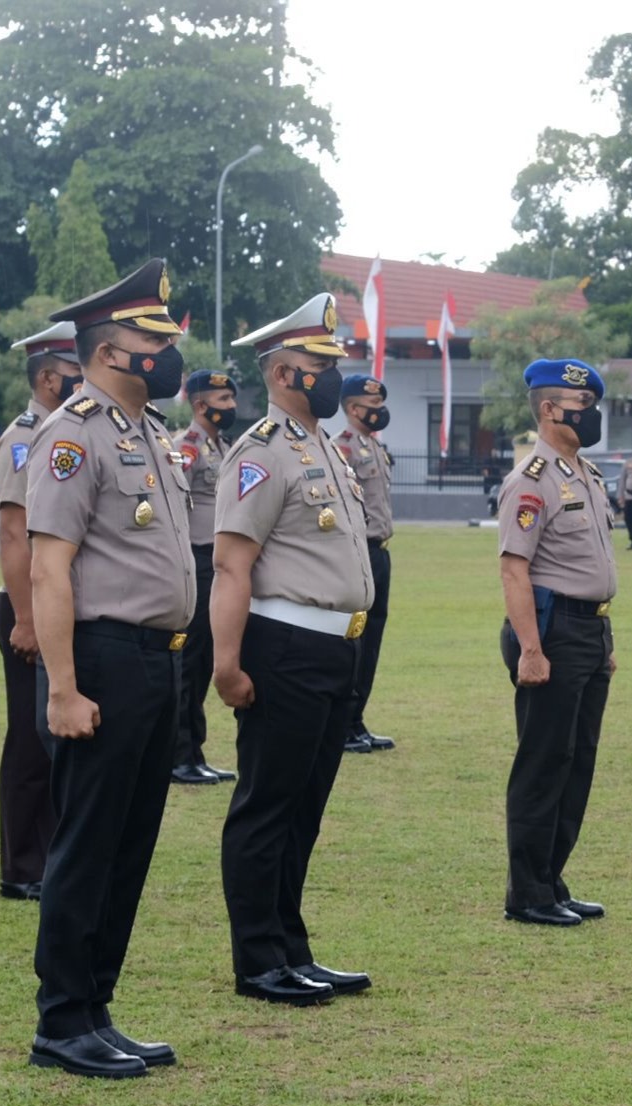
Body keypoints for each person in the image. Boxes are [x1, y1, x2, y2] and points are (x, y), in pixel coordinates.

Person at [25, 259, 193, 1078]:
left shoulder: (147, 430)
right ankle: (61, 1021)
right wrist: (61, 686)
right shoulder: (73, 433)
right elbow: (47, 567)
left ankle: (96, 1008)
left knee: (129, 846)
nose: (166, 353)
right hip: (101, 658)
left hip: (156, 661)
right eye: (150, 339)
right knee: (88, 844)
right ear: (105, 351)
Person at [213, 292, 375, 1007]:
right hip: (283, 645)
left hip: (334, 648)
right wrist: (226, 663)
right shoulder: (261, 451)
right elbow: (231, 564)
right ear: (284, 373)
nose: (333, 375)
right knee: (268, 806)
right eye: (320, 363)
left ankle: (290, 947)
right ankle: (258, 960)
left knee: (304, 808)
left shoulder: (323, 448)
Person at [496, 358, 616, 927]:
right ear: (549, 410)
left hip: (589, 629)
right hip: (552, 632)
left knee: (576, 763)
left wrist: (603, 639)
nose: (592, 414)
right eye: (582, 405)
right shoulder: (532, 479)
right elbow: (514, 569)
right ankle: (527, 892)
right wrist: (531, 649)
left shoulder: (585, 475)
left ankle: (551, 879)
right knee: (543, 763)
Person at [0, 321, 82, 901]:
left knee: (54, 740)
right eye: (74, 372)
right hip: (27, 605)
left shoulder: (67, 432)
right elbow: (12, 531)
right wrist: (26, 619)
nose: (82, 380)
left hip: (57, 604)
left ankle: (49, 856)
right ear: (49, 379)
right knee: (30, 740)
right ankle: (22, 867)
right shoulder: (23, 439)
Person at [171, 369, 241, 785]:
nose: (231, 406)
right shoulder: (187, 448)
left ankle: (194, 752)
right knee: (191, 661)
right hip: (197, 560)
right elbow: (175, 506)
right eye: (223, 400)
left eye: (231, 399)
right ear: (200, 405)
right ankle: (180, 755)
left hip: (219, 564)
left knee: (204, 662)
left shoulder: (222, 446)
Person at [335, 373, 398, 754]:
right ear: (354, 409)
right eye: (374, 406)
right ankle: (342, 723)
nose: (380, 411)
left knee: (372, 640)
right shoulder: (342, 449)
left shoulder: (374, 446)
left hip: (380, 552)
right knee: (354, 639)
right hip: (357, 552)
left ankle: (356, 719)